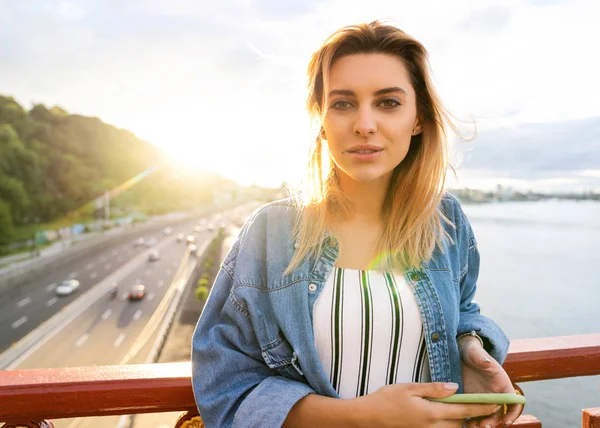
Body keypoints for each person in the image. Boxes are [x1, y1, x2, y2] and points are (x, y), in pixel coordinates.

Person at [192, 21, 521, 428]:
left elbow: (464, 307)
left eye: (388, 103)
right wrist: (360, 417)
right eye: (343, 103)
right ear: (322, 119)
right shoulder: (270, 233)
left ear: (417, 118)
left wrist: (470, 348)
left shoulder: (446, 220)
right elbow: (224, 384)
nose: (364, 124)